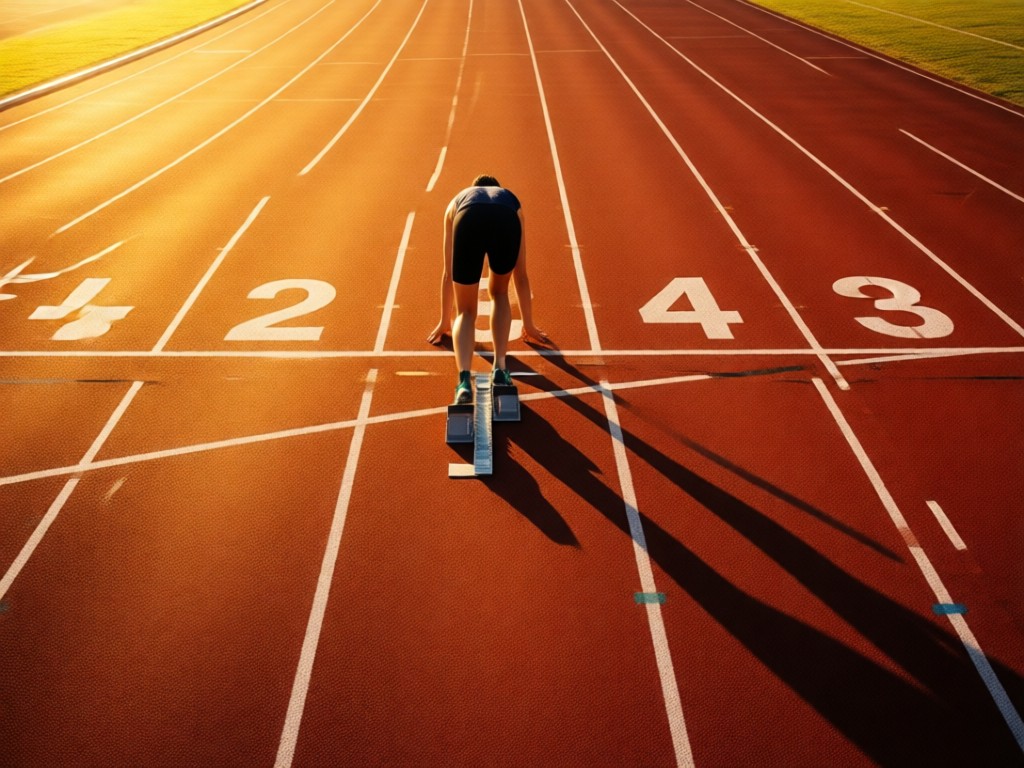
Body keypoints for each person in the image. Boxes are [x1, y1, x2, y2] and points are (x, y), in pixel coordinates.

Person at [427, 175, 548, 404]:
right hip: (506, 220)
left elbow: (448, 272)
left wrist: (445, 321)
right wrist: (528, 324)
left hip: (467, 218)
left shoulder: (458, 200)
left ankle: (464, 380)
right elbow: (521, 276)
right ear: (497, 189)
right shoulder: (511, 200)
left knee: (465, 312)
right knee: (500, 293)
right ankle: (500, 369)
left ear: (475, 188)